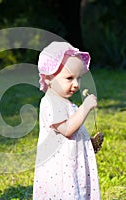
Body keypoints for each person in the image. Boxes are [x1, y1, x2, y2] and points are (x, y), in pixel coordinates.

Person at [33, 41, 103, 199]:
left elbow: (75, 132)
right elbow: (67, 129)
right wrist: (85, 108)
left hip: (71, 162)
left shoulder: (65, 102)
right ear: (48, 78)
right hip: (60, 170)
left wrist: (87, 142)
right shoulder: (50, 102)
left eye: (78, 78)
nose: (76, 84)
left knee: (77, 191)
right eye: (69, 78)